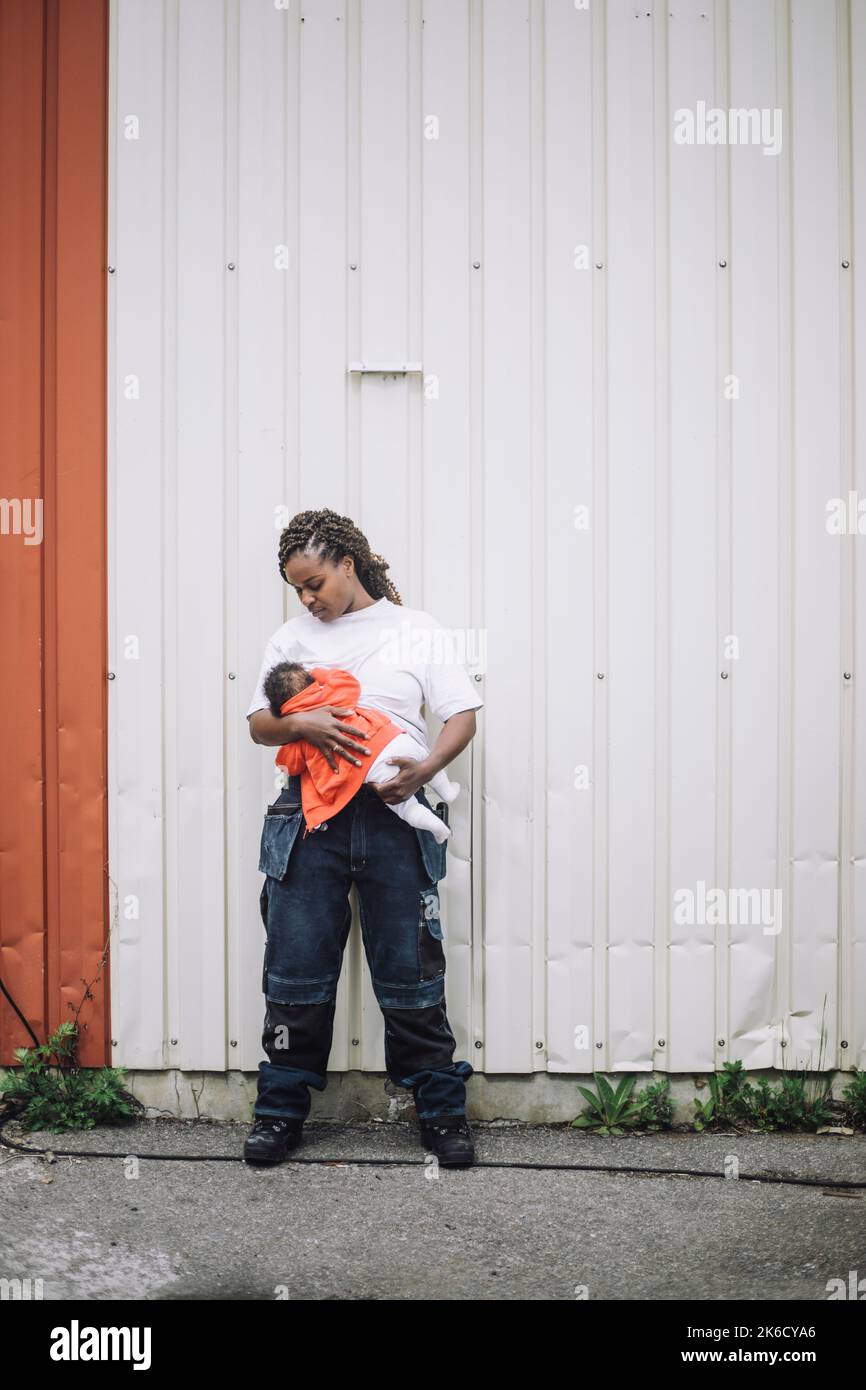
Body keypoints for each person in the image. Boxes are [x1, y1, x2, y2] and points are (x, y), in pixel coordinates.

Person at [243, 507, 483, 1167]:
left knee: (411, 974)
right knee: (294, 974)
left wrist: (426, 769)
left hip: (391, 813)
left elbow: (461, 714)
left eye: (315, 581)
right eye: (298, 588)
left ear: (347, 561)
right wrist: (305, 726)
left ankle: (440, 1113)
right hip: (306, 823)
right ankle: (278, 1115)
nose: (307, 598)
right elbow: (260, 724)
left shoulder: (415, 630)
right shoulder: (290, 636)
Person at [262, 660, 459, 843]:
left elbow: (289, 765)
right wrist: (319, 673)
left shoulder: (300, 737)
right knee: (423, 756)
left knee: (405, 807)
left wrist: (290, 733)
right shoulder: (332, 696)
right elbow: (348, 682)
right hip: (394, 742)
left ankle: (436, 828)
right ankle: (447, 790)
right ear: (311, 682)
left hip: (372, 771)